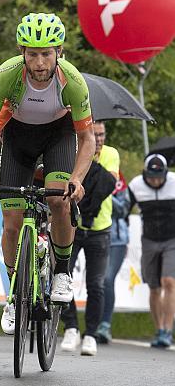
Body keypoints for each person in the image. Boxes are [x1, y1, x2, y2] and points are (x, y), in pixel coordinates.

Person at [0, 12, 95, 335]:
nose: (39, 63)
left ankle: (62, 272)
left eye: (46, 54)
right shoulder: (6, 76)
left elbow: (87, 139)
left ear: (59, 52)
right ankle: (14, 294)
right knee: (11, 224)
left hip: (59, 137)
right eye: (32, 54)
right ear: (22, 52)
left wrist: (77, 179)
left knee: (59, 202)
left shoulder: (73, 81)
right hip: (17, 139)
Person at [60, 121, 119, 356]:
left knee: (97, 284)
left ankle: (91, 334)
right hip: (73, 226)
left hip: (100, 228)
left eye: (102, 134)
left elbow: (107, 184)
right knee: (62, 276)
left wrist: (88, 165)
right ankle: (71, 327)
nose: (100, 139)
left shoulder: (111, 154)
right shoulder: (75, 153)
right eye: (95, 135)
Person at [127, 154, 175, 348]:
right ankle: (159, 329)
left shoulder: (174, 182)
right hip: (149, 240)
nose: (156, 181)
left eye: (159, 176)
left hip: (172, 239)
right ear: (145, 173)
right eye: (152, 176)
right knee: (154, 287)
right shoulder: (136, 185)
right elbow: (123, 210)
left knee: (169, 282)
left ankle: (167, 330)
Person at [95, 171, 130, 343]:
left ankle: (105, 325)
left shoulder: (120, 183)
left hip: (117, 241)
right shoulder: (92, 174)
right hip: (97, 235)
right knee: (96, 282)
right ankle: (94, 325)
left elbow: (124, 209)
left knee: (108, 280)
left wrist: (107, 194)